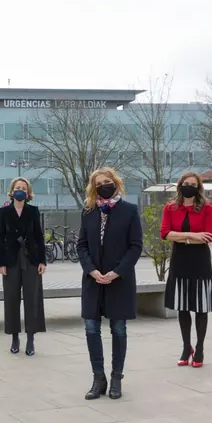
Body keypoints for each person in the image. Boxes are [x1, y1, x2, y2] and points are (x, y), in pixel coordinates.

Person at [76, 167, 142, 401]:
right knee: (91, 329)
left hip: (119, 281)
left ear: (116, 182)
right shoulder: (88, 212)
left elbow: (135, 246)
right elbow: (81, 245)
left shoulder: (130, 211)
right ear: (94, 188)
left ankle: (116, 378)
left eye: (108, 181)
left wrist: (116, 272)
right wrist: (92, 270)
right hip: (93, 281)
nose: (104, 185)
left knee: (118, 329)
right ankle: (98, 378)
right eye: (99, 183)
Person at [161, 172, 212, 368]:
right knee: (183, 306)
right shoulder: (170, 208)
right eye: (186, 183)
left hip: (200, 260)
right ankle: (186, 348)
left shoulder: (206, 207)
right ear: (179, 186)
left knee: (201, 306)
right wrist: (191, 235)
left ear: (198, 187)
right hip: (180, 260)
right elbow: (165, 234)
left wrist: (181, 237)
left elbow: (209, 236)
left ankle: (200, 348)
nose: (189, 186)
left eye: (193, 184)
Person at [0, 177, 47, 356]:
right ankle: (15, 337)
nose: (20, 190)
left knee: (32, 299)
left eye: (23, 188)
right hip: (10, 261)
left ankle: (31, 338)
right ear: (12, 191)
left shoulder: (33, 211)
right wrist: (0, 263)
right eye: (17, 187)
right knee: (11, 298)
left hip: (31, 259)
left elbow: (40, 236)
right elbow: (0, 238)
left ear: (28, 192)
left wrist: (42, 261)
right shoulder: (4, 212)